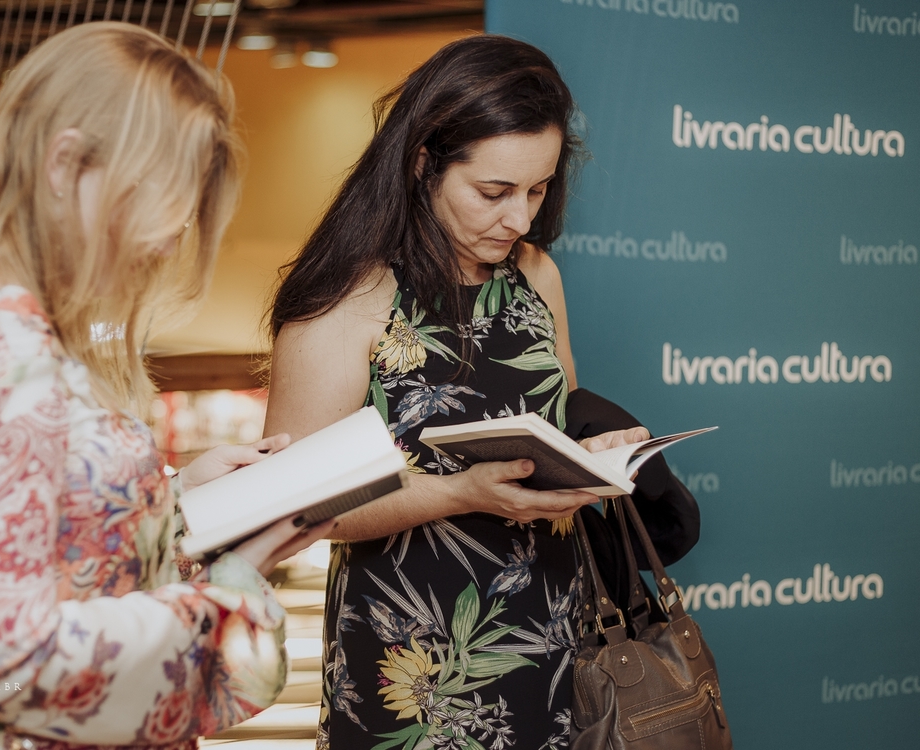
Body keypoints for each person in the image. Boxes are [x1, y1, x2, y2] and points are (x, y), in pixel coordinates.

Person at [0, 22, 332, 750]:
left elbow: (34, 541)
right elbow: (4, 662)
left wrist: (171, 503)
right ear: (65, 166)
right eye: (164, 200)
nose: (170, 236)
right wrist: (231, 593)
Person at [264, 35, 699, 749]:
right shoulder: (346, 301)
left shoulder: (536, 276)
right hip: (413, 668)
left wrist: (593, 456)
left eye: (539, 190)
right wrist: (460, 493)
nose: (521, 219)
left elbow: (555, 425)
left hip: (560, 638)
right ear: (421, 164)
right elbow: (299, 508)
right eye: (494, 192)